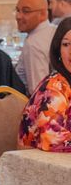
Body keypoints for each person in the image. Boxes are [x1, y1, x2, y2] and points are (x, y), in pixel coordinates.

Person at [19, 17, 71, 152]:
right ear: (58, 50)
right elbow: (51, 138)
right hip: (37, 165)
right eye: (66, 44)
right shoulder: (54, 88)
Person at [15, 0, 56, 94]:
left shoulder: (34, 44)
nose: (18, 16)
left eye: (26, 11)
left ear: (43, 14)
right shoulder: (54, 30)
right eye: (17, 10)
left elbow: (38, 91)